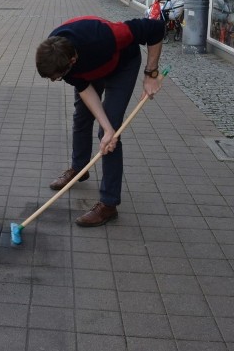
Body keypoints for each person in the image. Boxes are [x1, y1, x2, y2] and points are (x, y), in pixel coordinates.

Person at [35, 16, 165, 226]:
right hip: (91, 70)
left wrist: (151, 73)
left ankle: (108, 204)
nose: (55, 80)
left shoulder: (105, 37)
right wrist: (104, 126)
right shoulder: (54, 52)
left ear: (72, 62)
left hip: (122, 65)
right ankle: (80, 169)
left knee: (111, 134)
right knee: (82, 117)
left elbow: (156, 28)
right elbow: (85, 89)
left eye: (57, 77)